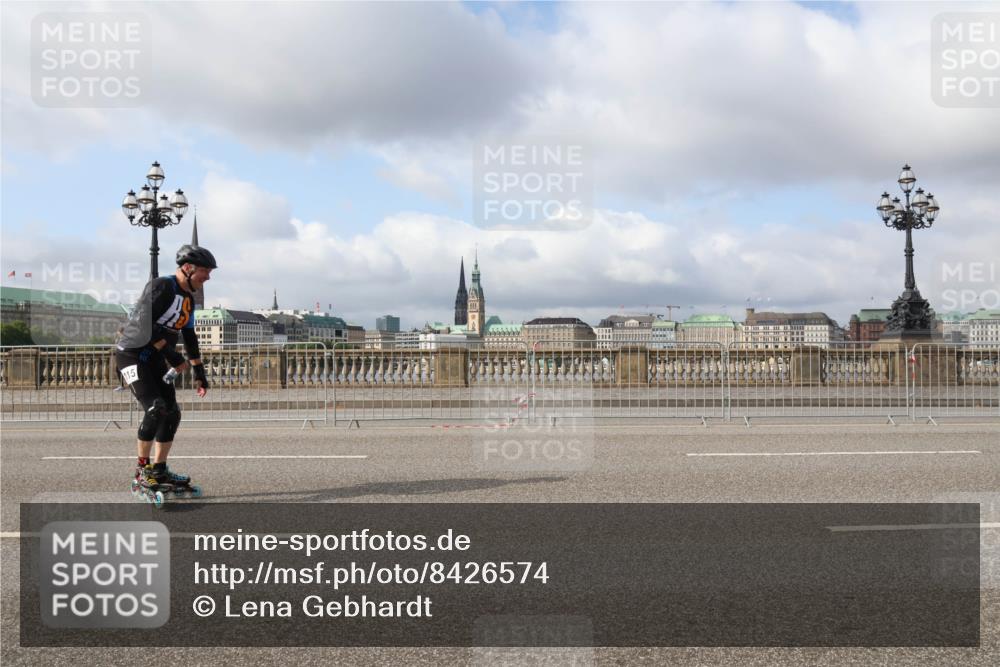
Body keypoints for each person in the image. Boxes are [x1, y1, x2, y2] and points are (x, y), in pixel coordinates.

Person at [115, 244, 217, 500]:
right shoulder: (163, 286)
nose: (208, 277)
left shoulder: (189, 299)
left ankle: (159, 469)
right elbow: (142, 321)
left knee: (171, 411)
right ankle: (142, 470)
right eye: (205, 271)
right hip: (131, 354)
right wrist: (171, 354)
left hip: (155, 359)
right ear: (187, 268)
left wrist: (199, 372)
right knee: (155, 408)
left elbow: (189, 335)